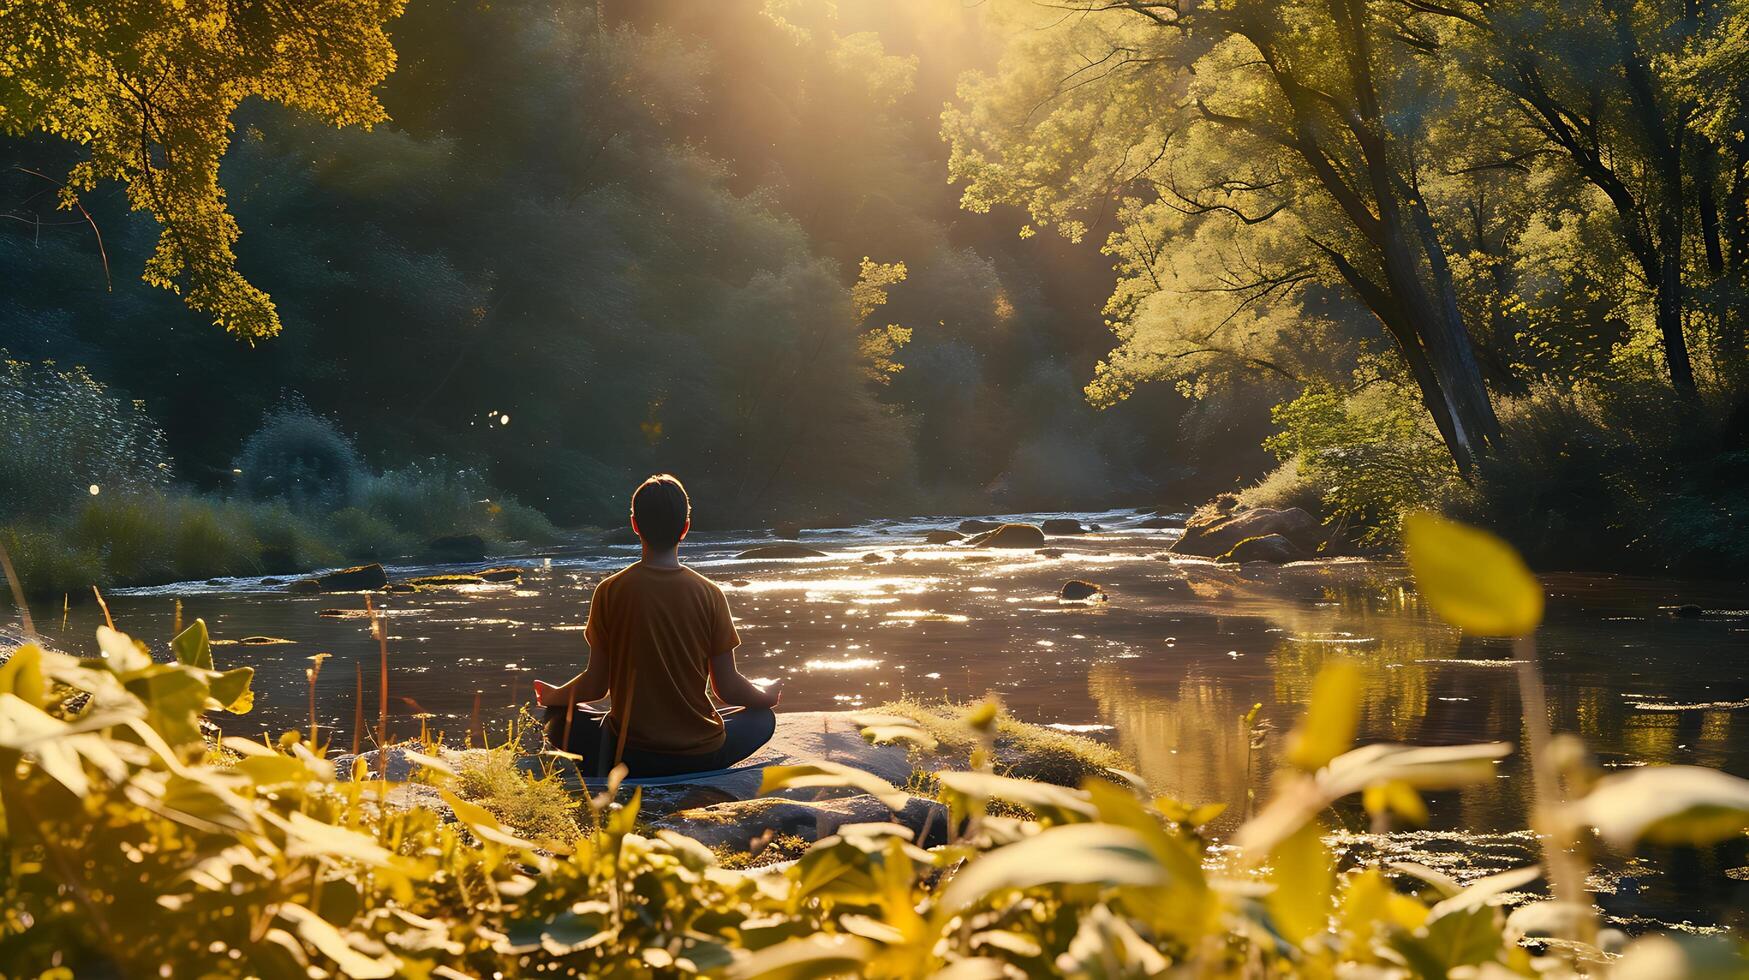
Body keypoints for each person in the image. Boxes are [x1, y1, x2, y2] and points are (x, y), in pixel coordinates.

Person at [532, 473, 780, 777]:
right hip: (701, 756)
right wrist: (765, 695)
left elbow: (596, 685)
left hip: (625, 756)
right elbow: (727, 688)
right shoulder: (709, 594)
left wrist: (553, 697)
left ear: (635, 525)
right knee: (762, 719)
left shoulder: (610, 590)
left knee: (557, 717)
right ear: (686, 529)